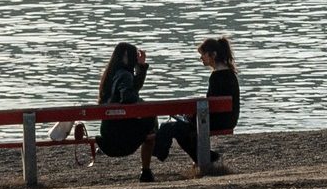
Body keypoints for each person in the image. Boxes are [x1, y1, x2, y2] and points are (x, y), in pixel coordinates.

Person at [146, 37, 236, 176]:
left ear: (213, 54)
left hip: (215, 121)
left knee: (171, 126)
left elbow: (210, 105)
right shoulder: (230, 74)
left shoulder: (217, 76)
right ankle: (207, 157)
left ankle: (159, 152)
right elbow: (213, 104)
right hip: (228, 119)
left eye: (203, 54)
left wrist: (194, 115)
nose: (201, 58)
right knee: (179, 128)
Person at [95, 43, 153, 178]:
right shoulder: (125, 75)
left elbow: (132, 88)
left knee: (149, 121)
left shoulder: (110, 74)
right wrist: (140, 102)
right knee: (151, 119)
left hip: (107, 130)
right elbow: (128, 97)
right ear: (127, 57)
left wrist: (141, 67)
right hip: (121, 134)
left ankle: (147, 169)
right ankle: (146, 171)